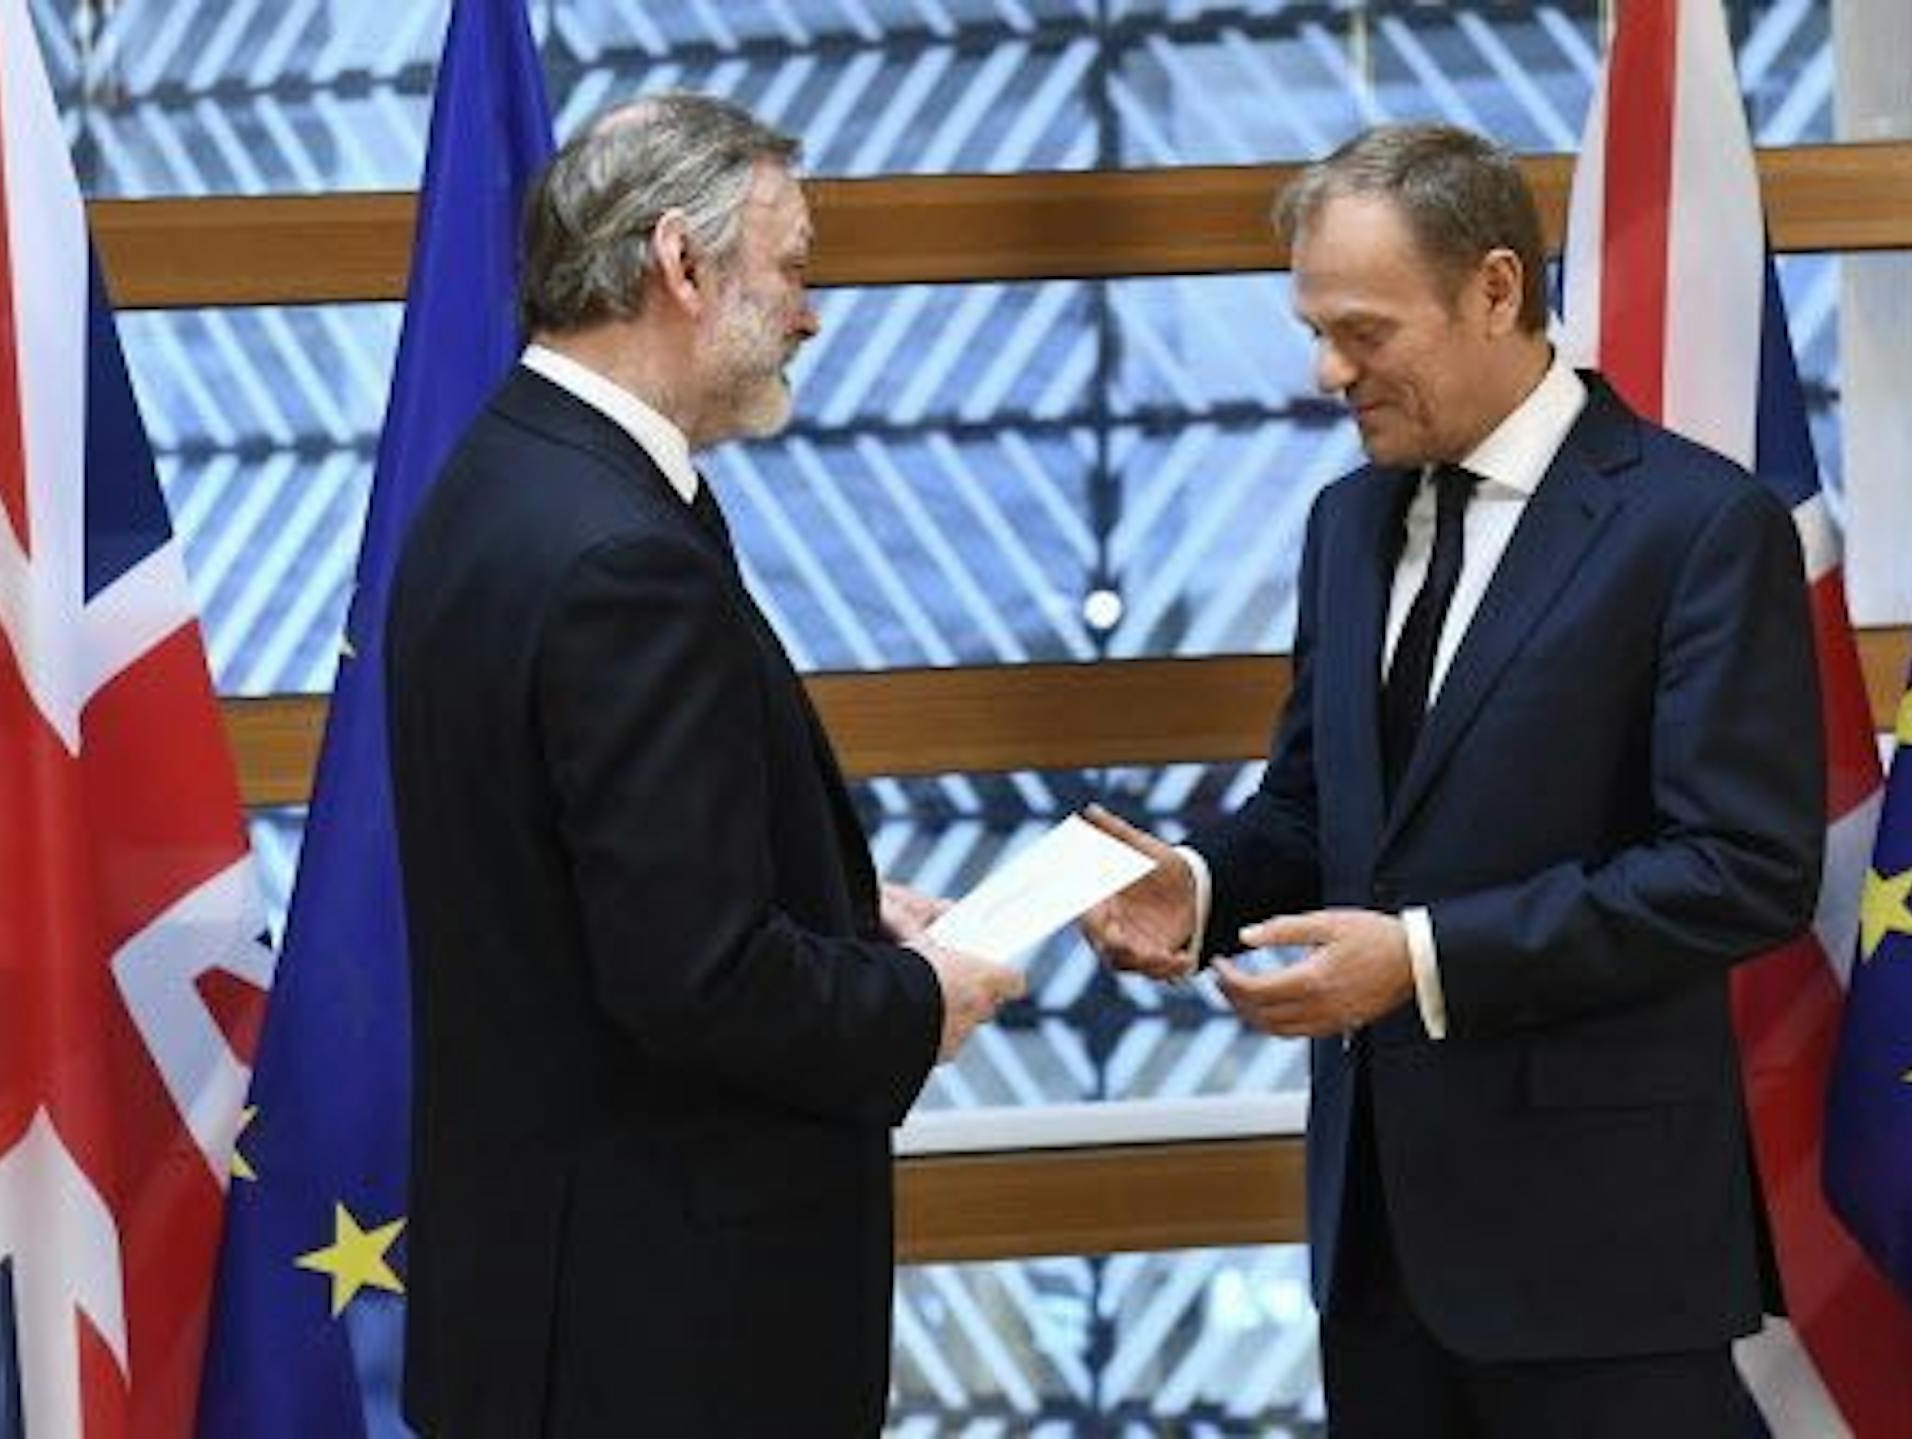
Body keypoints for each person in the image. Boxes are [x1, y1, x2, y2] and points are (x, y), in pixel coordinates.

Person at [1083, 124, 1823, 1437]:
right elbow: (1321, 809)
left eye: (1363, 331)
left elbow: (1741, 870)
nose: (1327, 371)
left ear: (1495, 289)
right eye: (1314, 328)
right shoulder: (1347, 523)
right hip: (1378, 1258)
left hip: (1602, 1261)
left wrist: (1422, 961)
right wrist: (1195, 888)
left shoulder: (1699, 526)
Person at [385, 93, 1023, 1436]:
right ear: (681, 263)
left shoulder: (504, 480)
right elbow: (696, 980)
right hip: (664, 1334)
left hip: (550, 1301)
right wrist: (915, 1000)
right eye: (793, 266)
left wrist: (841, 916)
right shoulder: (620, 554)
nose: (809, 312)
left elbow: (591, 883)